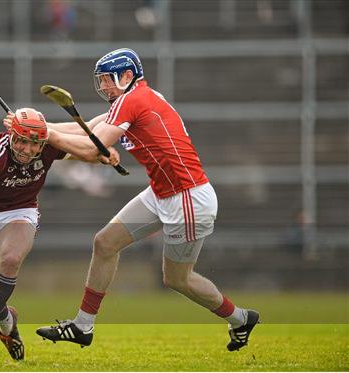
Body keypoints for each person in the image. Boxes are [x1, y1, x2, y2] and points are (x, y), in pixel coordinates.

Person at [36, 48, 260, 352]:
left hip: (188, 198)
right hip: (161, 192)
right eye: (100, 81)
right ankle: (82, 326)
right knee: (105, 243)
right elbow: (87, 129)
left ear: (127, 76)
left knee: (178, 279)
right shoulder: (131, 99)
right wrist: (37, 126)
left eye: (107, 80)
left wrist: (42, 133)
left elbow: (91, 148)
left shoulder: (134, 100)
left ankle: (240, 318)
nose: (103, 87)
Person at [0, 108, 119, 360]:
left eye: (34, 144)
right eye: (21, 140)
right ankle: (7, 324)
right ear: (11, 134)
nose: (26, 149)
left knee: (10, 260)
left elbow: (85, 146)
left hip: (20, 212)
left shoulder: (48, 146)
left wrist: (102, 154)